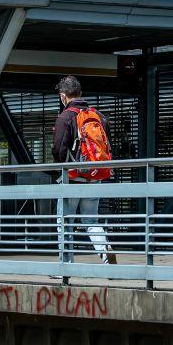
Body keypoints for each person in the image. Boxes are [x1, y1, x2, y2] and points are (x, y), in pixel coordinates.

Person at [51, 75, 117, 265]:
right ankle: (105, 252)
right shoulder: (98, 116)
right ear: (80, 93)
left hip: (71, 178)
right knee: (91, 222)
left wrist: (60, 169)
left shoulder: (65, 117)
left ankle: (66, 266)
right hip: (95, 177)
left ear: (63, 96)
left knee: (65, 222)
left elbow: (58, 149)